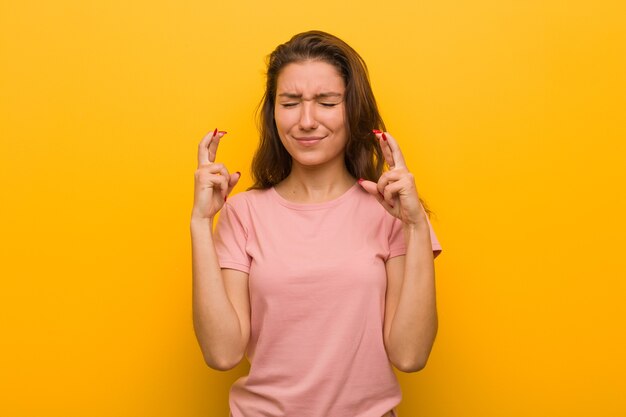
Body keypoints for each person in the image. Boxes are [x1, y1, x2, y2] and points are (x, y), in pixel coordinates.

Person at [191, 30, 442, 417]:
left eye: (326, 102)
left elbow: (409, 355)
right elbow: (222, 353)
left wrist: (416, 226)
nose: (306, 121)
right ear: (274, 114)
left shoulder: (391, 214)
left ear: (352, 110)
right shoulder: (243, 214)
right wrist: (200, 223)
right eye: (290, 103)